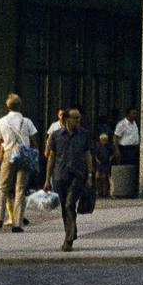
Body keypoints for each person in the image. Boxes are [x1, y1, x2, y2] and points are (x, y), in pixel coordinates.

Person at [45, 107, 93, 252]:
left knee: (69, 203)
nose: (78, 120)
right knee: (66, 207)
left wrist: (89, 175)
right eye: (75, 118)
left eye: (79, 118)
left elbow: (88, 155)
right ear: (66, 119)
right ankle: (72, 232)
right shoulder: (56, 135)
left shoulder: (84, 134)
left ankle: (69, 238)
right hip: (60, 175)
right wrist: (47, 179)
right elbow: (51, 157)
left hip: (78, 175)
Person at [0, 93, 38, 233]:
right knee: (20, 189)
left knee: (3, 188)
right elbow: (35, 141)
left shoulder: (1, 122)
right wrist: (33, 155)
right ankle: (17, 223)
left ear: (7, 106)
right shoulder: (27, 121)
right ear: (20, 105)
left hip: (8, 154)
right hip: (24, 155)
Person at [113, 108, 140, 175]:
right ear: (128, 114)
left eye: (135, 114)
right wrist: (117, 150)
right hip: (126, 149)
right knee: (127, 168)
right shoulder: (121, 124)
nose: (135, 115)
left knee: (134, 168)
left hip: (135, 148)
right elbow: (115, 137)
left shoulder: (135, 123)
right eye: (133, 114)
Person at [90, 133, 113, 199]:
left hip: (106, 164)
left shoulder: (109, 147)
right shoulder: (98, 147)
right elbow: (95, 155)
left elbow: (112, 153)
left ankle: (105, 192)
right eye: (102, 139)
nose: (104, 141)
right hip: (99, 164)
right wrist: (98, 161)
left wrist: (110, 159)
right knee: (97, 177)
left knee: (105, 178)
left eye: (105, 139)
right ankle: (98, 191)